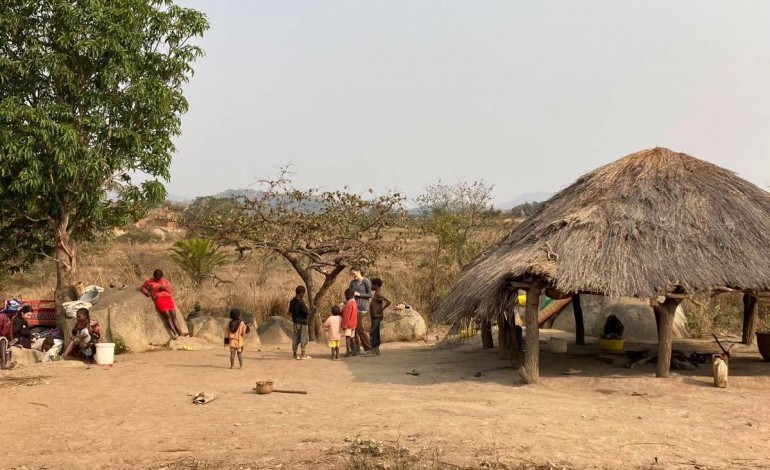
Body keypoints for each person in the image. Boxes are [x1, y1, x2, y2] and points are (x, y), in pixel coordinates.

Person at [141, 269, 185, 338]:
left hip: (168, 298)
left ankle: (180, 333)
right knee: (167, 315)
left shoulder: (165, 281)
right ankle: (175, 334)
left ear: (161, 276)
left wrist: (164, 288)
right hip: (159, 298)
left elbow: (170, 290)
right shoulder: (149, 281)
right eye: (156, 277)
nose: (157, 279)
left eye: (159, 278)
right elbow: (142, 287)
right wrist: (147, 292)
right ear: (153, 276)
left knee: (173, 315)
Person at [349, 268, 372, 354]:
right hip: (353, 307)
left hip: (362, 308)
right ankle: (355, 349)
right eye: (351, 274)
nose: (353, 276)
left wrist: (359, 294)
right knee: (352, 328)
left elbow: (370, 294)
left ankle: (368, 348)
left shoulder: (365, 281)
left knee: (359, 328)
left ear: (359, 272)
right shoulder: (352, 283)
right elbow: (349, 293)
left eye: (354, 273)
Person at [369, 278, 392, 356]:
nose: (371, 286)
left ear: (376, 285)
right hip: (375, 316)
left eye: (372, 284)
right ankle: (376, 349)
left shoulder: (379, 294)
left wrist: (382, 309)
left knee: (373, 332)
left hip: (377, 316)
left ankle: (373, 349)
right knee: (376, 332)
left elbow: (388, 301)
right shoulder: (376, 294)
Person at [288, 285, 311, 360]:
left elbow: (290, 311)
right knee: (303, 338)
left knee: (295, 338)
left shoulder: (292, 301)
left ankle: (294, 354)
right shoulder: (301, 302)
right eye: (303, 293)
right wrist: (312, 311)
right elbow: (307, 312)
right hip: (303, 323)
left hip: (295, 323)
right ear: (301, 293)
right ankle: (303, 354)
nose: (303, 295)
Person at [341, 288, 359, 357]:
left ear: (347, 295)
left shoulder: (349, 303)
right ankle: (355, 351)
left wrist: (344, 325)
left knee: (347, 338)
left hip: (348, 323)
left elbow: (346, 315)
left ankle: (348, 352)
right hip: (354, 323)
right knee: (352, 337)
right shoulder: (354, 302)